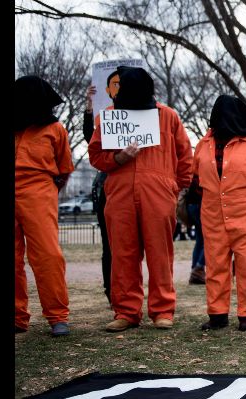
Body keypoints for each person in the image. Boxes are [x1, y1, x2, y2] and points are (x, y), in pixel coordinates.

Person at [89, 66, 193, 332]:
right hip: (120, 193)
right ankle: (126, 311)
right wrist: (117, 159)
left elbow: (185, 156)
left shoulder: (168, 116)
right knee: (123, 255)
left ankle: (162, 310)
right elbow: (95, 155)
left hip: (158, 194)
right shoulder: (108, 118)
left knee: (160, 254)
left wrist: (177, 188)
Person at [194, 95, 246, 331]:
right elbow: (196, 182)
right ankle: (217, 314)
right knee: (216, 264)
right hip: (212, 213)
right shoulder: (202, 144)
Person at [15, 75, 74, 336]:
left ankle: (57, 316)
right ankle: (17, 316)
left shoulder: (55, 129)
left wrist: (48, 190)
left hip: (38, 190)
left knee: (48, 255)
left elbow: (64, 167)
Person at [84, 73, 120, 304]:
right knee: (110, 245)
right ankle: (112, 291)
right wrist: (89, 108)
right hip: (108, 189)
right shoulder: (104, 120)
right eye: (115, 85)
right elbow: (91, 138)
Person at [185, 172, 206, 284]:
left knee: (200, 240)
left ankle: (196, 270)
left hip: (191, 205)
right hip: (200, 205)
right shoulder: (203, 171)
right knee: (209, 239)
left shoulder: (195, 172)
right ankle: (198, 268)